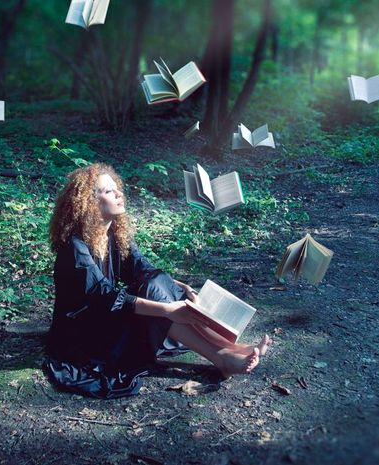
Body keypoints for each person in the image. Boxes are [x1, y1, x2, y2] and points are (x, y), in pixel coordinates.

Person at [43, 163, 272, 399]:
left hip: (108, 318)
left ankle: (228, 350)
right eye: (109, 191)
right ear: (90, 202)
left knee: (158, 282)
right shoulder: (75, 246)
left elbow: (144, 269)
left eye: (117, 189)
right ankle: (224, 355)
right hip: (85, 336)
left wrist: (179, 287)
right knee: (161, 304)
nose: (119, 193)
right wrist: (166, 309)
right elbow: (104, 296)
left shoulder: (113, 235)